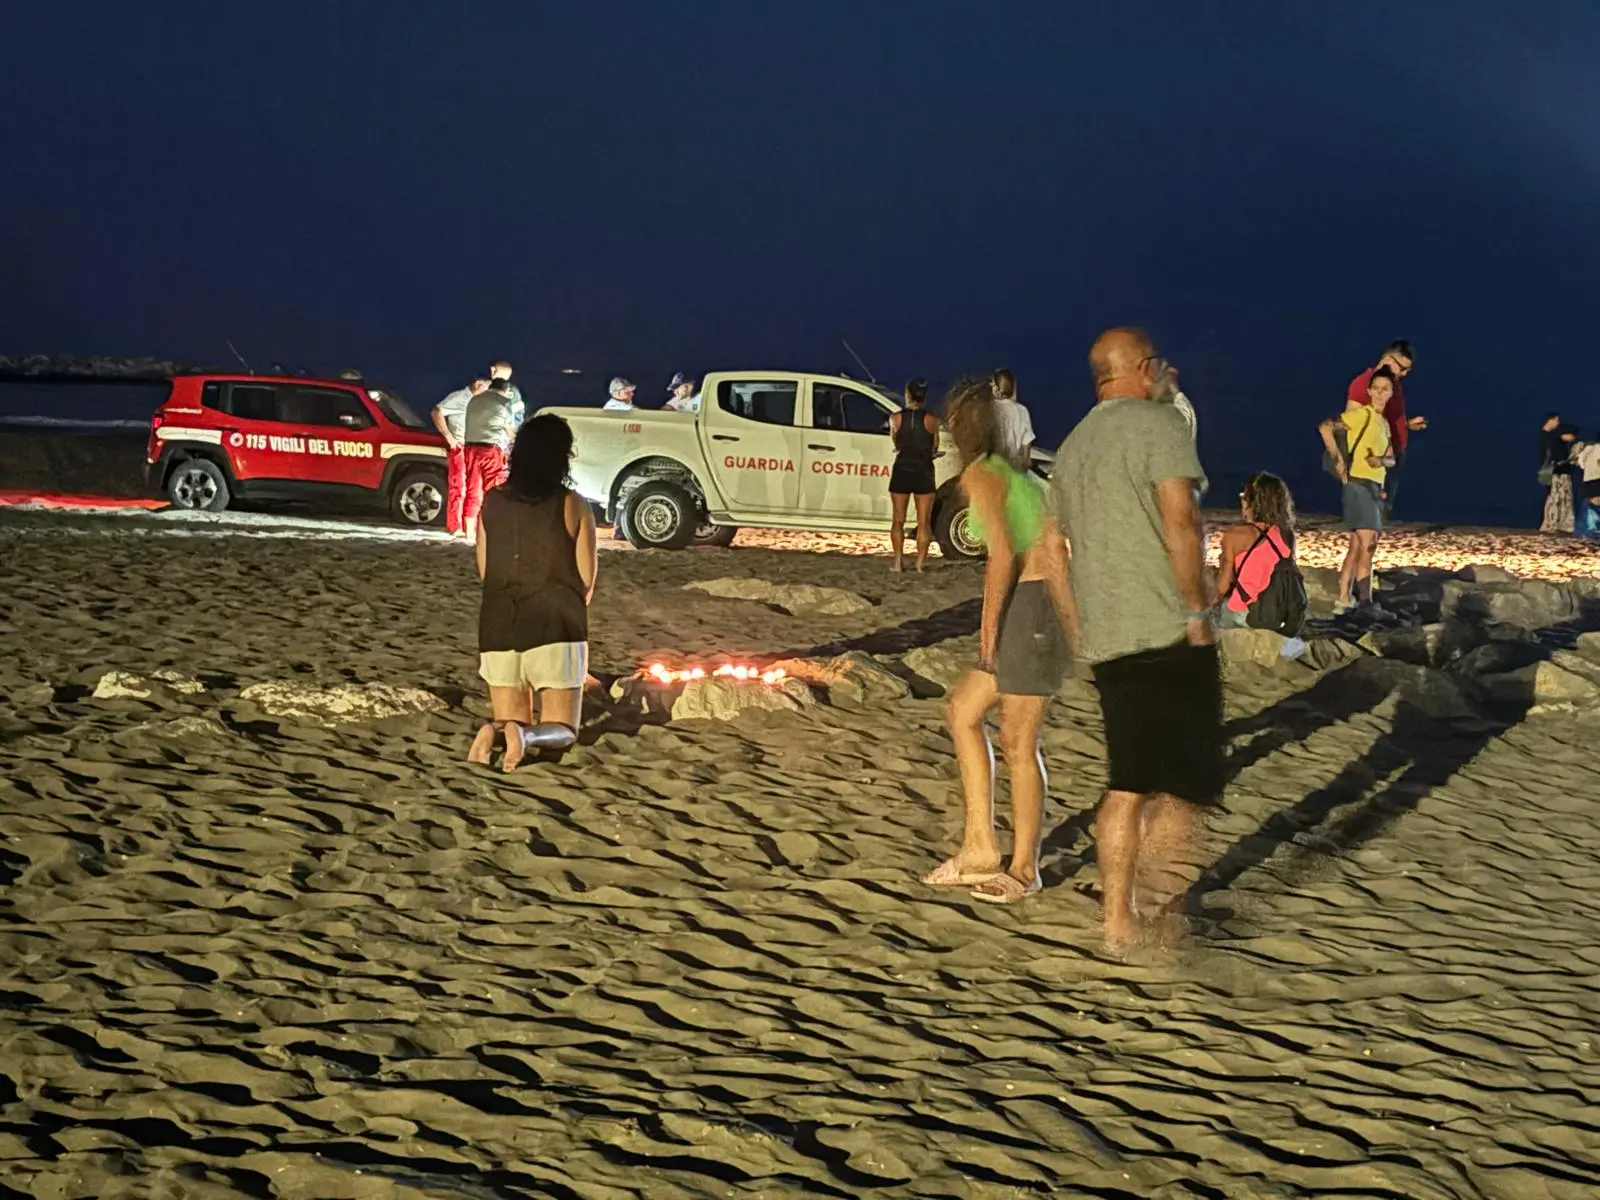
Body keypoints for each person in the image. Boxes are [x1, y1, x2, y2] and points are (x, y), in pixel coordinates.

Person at [1050, 328, 1222, 953]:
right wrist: (1197, 610)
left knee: (1127, 779)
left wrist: (1076, 627)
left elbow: (1051, 550)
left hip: (1107, 634)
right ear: (1143, 369)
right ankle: (1160, 903)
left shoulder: (1072, 446)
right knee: (1188, 785)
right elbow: (1183, 521)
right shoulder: (1160, 426)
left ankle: (1116, 924)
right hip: (1164, 626)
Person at [922, 378, 1076, 905]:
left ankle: (1025, 867)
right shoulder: (1023, 477)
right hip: (1035, 609)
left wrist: (988, 632)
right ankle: (980, 847)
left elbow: (1004, 557)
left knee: (1017, 743)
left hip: (1030, 611)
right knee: (963, 710)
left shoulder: (984, 474)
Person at [468, 415, 598, 771]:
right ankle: (527, 738)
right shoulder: (572, 503)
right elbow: (585, 579)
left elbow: (486, 571)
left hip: (498, 624)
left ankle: (494, 733)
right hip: (555, 623)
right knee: (563, 729)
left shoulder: (491, 502)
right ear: (563, 456)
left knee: (511, 718)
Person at [1320, 366, 1396, 611]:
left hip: (1375, 486)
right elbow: (1325, 427)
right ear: (1370, 391)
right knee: (1368, 543)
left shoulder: (1384, 423)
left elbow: (1391, 458)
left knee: (1357, 544)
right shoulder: (1362, 415)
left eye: (1385, 389)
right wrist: (1338, 461)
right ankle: (1366, 602)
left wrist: (1380, 461)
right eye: (1377, 389)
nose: (1380, 393)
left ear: (1391, 393)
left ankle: (1343, 596)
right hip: (1358, 484)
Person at [1348, 340, 1426, 517]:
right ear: (1388, 360)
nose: (1405, 374)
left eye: (1408, 370)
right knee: (1370, 516)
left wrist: (1406, 425)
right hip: (1376, 459)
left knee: (1381, 511)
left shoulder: (1393, 383)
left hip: (1393, 455)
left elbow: (1383, 420)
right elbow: (1351, 421)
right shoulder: (1364, 384)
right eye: (1402, 368)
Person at [1214, 472, 1297, 629]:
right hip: (1278, 613)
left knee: (1216, 615)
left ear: (1248, 503)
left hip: (1245, 613)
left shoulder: (1235, 534)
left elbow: (1223, 585)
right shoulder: (1287, 535)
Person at [887, 377, 941, 572]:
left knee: (898, 519)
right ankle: (919, 564)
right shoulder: (932, 420)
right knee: (923, 522)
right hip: (924, 470)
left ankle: (898, 562)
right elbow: (935, 445)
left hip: (902, 469)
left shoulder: (895, 418)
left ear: (907, 394)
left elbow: (896, 441)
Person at [460, 379, 519, 542]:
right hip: (491, 449)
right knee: (493, 489)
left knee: (473, 488)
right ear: (505, 390)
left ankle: (469, 530)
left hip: (470, 447)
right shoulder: (505, 402)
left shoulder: (474, 399)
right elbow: (509, 430)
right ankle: (491, 528)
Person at [433, 377, 489, 537]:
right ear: (478, 385)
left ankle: (468, 526)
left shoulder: (478, 401)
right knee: (459, 485)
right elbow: (437, 411)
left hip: (473, 446)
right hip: (460, 446)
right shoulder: (459, 397)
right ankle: (454, 525)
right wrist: (448, 437)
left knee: (474, 486)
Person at [990, 368, 1036, 472]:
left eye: (992, 384)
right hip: (1014, 467)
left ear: (997, 387)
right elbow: (1027, 441)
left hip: (994, 466)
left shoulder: (990, 408)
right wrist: (1026, 462)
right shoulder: (1022, 410)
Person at [1539, 413, 1577, 534]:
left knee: (1557, 496)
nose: (1558, 423)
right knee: (1555, 495)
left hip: (1557, 468)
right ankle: (1553, 522)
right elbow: (1569, 436)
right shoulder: (1551, 435)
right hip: (1555, 469)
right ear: (1550, 420)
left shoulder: (1548, 435)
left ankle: (1556, 522)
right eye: (1556, 420)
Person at [489, 361, 525, 431]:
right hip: (506, 435)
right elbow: (519, 414)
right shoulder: (514, 391)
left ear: (493, 370)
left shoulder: (484, 387)